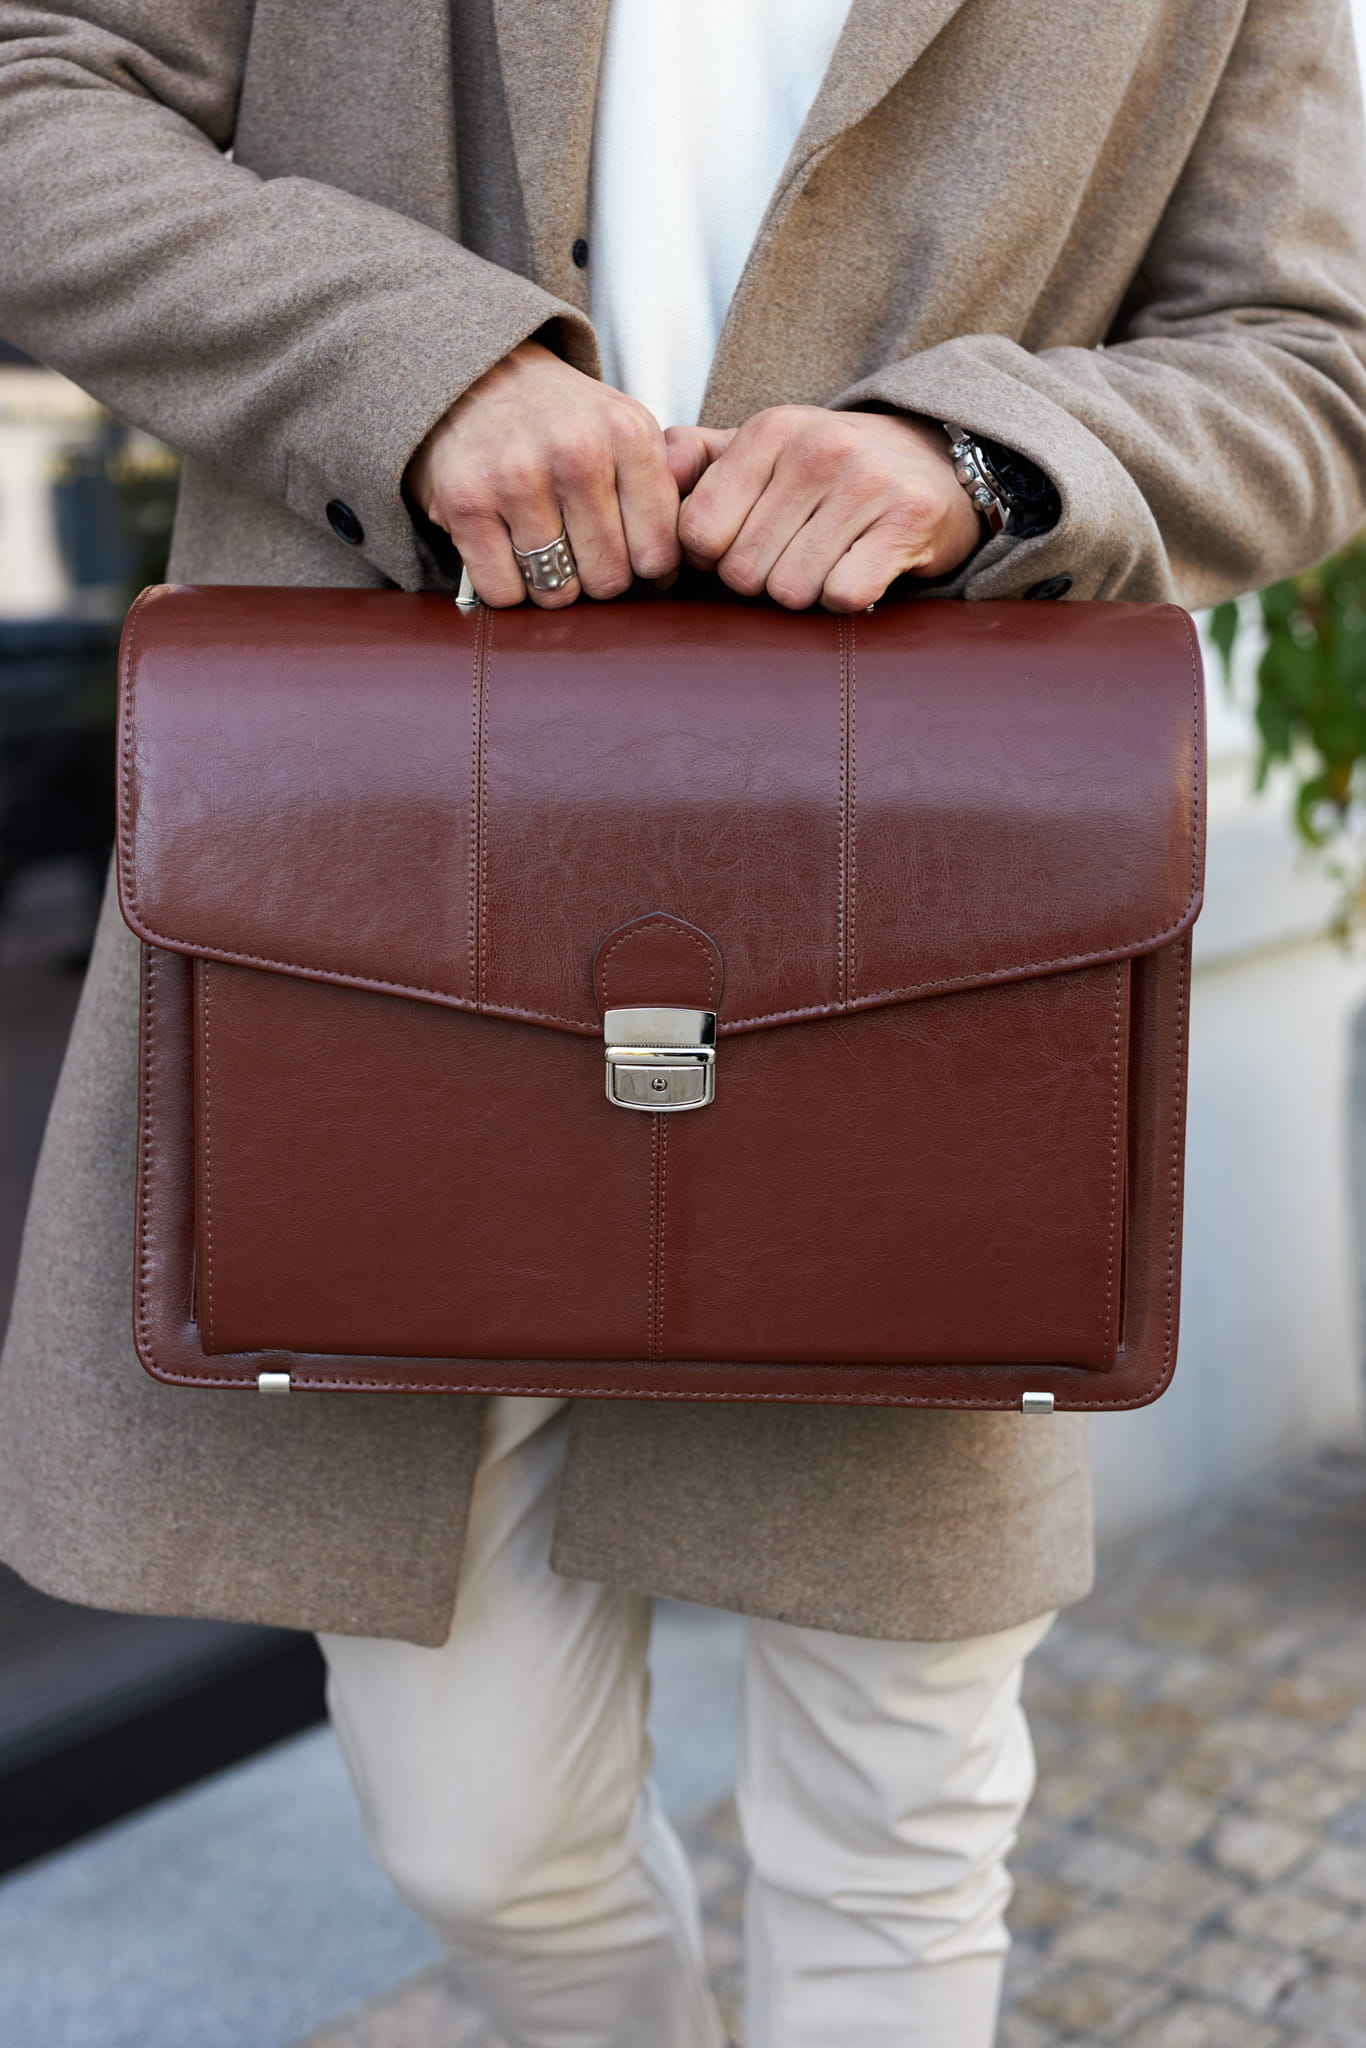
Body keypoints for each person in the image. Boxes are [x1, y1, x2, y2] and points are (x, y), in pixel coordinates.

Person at [1, 4, 1364, 2044]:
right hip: (375, 907)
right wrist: (409, 361)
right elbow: (32, 89)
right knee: (479, 1832)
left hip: (923, 937)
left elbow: (1308, 364)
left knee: (891, 1815)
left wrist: (978, 459)